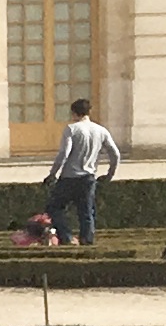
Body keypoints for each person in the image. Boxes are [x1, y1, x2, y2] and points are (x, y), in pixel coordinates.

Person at [46, 99, 119, 249]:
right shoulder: (101, 130)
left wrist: (52, 173)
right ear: (89, 112)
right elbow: (115, 154)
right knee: (86, 213)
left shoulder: (72, 129)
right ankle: (87, 242)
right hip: (88, 178)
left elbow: (64, 154)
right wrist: (110, 174)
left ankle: (66, 237)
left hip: (69, 178)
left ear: (73, 113)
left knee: (54, 208)